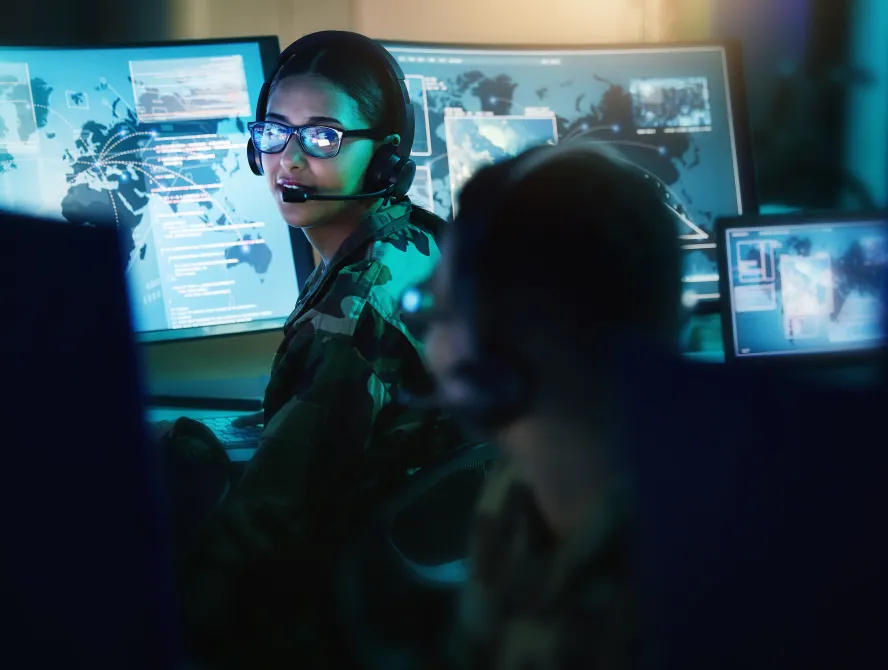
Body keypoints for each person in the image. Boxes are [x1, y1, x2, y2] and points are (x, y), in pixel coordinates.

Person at [163, 31, 465, 668]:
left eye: (323, 137)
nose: (288, 161)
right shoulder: (423, 241)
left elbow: (258, 530)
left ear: (384, 163)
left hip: (338, 621)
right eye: (274, 131)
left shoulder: (353, 308)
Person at [414, 142, 685, 668]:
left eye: (436, 308)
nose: (430, 345)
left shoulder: (677, 594)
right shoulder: (520, 492)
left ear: (489, 348)